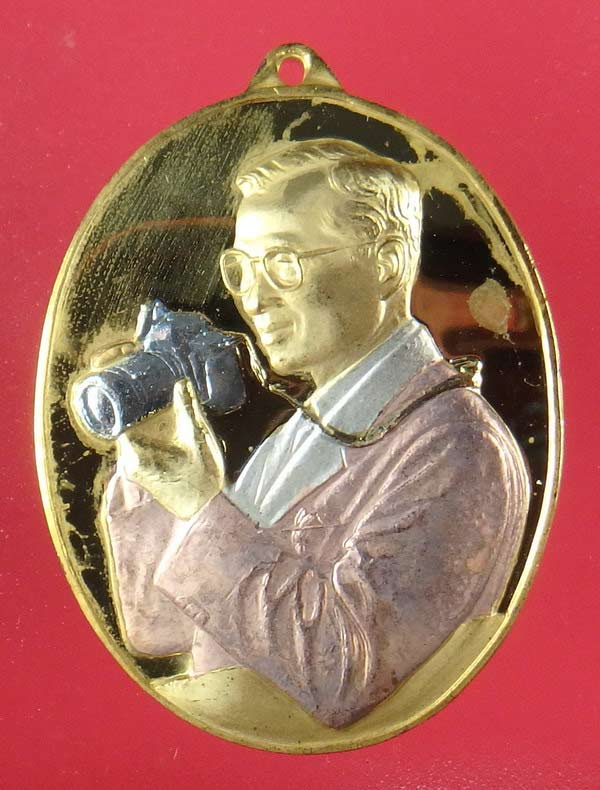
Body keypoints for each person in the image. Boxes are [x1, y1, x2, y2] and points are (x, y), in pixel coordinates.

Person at [102, 139, 530, 728]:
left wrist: (199, 502)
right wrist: (152, 475)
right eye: (241, 269)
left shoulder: (457, 445)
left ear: (386, 263)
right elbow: (159, 628)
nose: (254, 297)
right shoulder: (307, 427)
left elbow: (349, 676)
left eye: (283, 262)